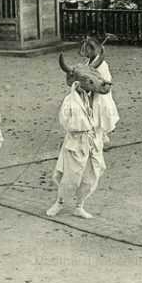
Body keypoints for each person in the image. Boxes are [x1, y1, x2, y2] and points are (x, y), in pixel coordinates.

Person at [46, 78, 106, 219]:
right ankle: (59, 202)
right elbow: (65, 121)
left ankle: (79, 206)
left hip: (93, 141)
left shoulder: (96, 99)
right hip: (76, 142)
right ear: (77, 84)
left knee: (91, 176)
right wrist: (81, 127)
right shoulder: (70, 100)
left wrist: (102, 134)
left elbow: (103, 117)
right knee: (71, 177)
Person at [79, 36, 119, 145]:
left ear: (93, 50)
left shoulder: (102, 64)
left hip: (99, 95)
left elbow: (105, 82)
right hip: (90, 93)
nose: (85, 52)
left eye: (87, 49)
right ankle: (96, 138)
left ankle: (101, 138)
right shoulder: (88, 62)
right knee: (92, 116)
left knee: (99, 115)